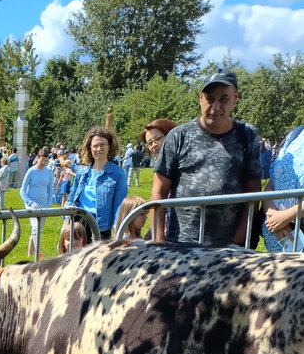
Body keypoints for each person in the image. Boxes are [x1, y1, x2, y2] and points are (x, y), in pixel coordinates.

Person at [152, 71, 262, 246]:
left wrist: (237, 242)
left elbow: (254, 194)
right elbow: (159, 190)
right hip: (181, 246)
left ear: (235, 98)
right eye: (210, 99)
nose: (216, 106)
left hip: (229, 250)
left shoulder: (247, 136)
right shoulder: (178, 136)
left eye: (224, 99)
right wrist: (159, 242)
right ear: (200, 98)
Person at [67, 126, 128, 241]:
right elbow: (71, 200)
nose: (98, 148)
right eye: (95, 145)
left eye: (102, 144)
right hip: (79, 226)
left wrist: (118, 231)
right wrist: (66, 218)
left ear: (109, 146)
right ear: (90, 148)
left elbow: (119, 206)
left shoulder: (118, 173)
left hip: (102, 227)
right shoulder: (82, 173)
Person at [262, 126, 304, 252]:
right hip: (282, 243)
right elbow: (272, 182)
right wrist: (272, 215)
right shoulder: (295, 135)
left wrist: (285, 217)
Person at [20, 148, 55, 258]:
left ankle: (29, 256)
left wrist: (48, 204)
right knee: (36, 227)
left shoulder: (49, 171)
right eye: (42, 161)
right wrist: (30, 203)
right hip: (31, 203)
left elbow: (50, 189)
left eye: (46, 161)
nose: (44, 163)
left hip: (43, 204)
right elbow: (22, 190)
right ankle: (38, 255)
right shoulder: (31, 171)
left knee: (37, 230)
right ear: (37, 158)